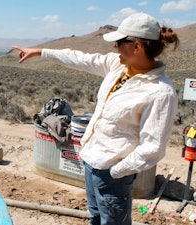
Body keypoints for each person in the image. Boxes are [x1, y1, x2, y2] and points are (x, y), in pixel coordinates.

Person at [13, 12, 179, 225]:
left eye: (120, 42)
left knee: (113, 222)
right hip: (91, 160)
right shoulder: (119, 67)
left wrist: (116, 171)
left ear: (137, 46)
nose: (115, 47)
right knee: (96, 216)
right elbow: (80, 58)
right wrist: (40, 52)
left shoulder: (160, 92)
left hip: (112, 173)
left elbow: (153, 148)